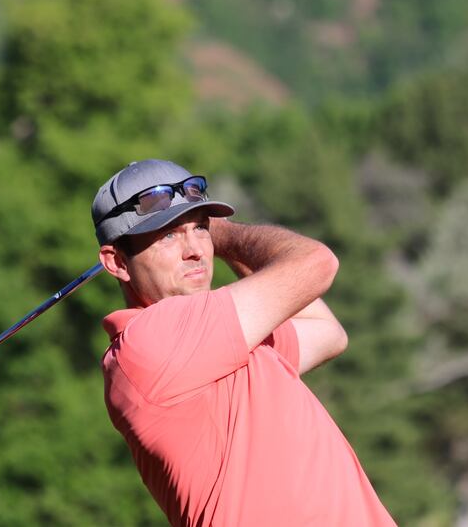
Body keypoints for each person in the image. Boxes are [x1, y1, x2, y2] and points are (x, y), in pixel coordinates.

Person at [92, 159, 396, 526]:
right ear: (117, 262)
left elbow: (328, 332)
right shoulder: (150, 343)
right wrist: (224, 235)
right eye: (169, 235)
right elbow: (317, 263)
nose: (196, 251)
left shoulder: (220, 340)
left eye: (199, 230)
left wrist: (205, 234)